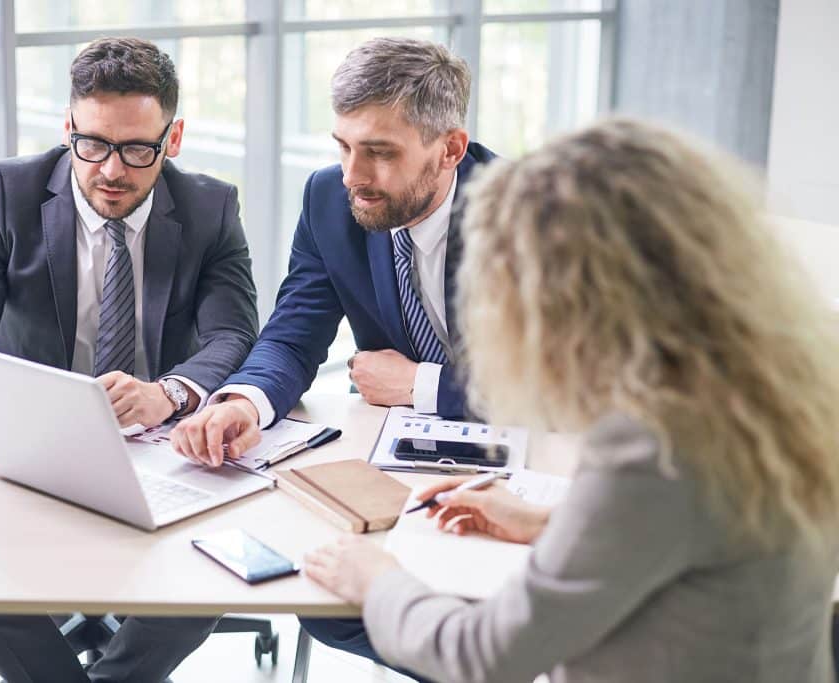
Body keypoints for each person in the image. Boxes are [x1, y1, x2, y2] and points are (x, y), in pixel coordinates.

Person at [304, 117, 839, 683]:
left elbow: (483, 657)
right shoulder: (778, 383)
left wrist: (376, 579)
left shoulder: (653, 443)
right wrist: (549, 521)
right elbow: (702, 531)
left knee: (346, 615)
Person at [0, 37, 258, 683]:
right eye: (93, 144)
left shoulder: (210, 208)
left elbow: (235, 334)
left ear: (175, 136)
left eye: (138, 149)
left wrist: (172, 391)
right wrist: (37, 419)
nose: (111, 169)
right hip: (34, 452)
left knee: (215, 566)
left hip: (160, 446)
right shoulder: (7, 193)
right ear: (68, 127)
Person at [168, 37, 495, 671]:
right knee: (326, 607)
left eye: (379, 152)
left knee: (479, 595)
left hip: (512, 465)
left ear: (450, 148)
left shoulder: (526, 211)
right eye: (344, 146)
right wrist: (245, 401)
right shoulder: (329, 199)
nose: (353, 175)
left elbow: (565, 387)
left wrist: (421, 384)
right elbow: (293, 332)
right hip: (393, 466)